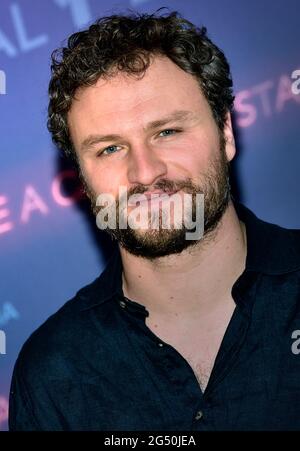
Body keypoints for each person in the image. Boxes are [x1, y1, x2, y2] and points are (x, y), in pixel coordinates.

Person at [9, 10, 300, 431]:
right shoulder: (54, 371)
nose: (145, 173)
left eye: (167, 132)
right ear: (83, 179)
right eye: (109, 148)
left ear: (226, 134)